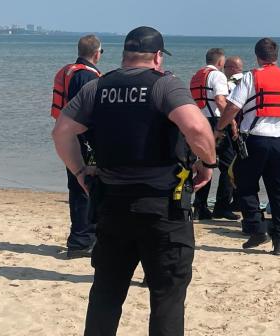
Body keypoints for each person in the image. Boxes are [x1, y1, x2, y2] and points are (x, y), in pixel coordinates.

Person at [52, 26, 216, 335]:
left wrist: (80, 172)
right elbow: (196, 128)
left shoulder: (98, 87)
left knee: (106, 293)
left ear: (125, 55)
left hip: (112, 205)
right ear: (157, 56)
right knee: (166, 295)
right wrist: (208, 164)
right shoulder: (165, 85)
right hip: (162, 207)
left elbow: (61, 132)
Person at [216, 38, 280, 256]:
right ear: (276, 56)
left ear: (257, 56)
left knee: (243, 183)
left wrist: (219, 128)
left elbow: (232, 107)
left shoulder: (250, 77)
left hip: (256, 140)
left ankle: (257, 228)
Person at [51, 34, 103, 259]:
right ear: (96, 53)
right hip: (83, 140)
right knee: (86, 187)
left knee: (77, 186)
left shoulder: (69, 71)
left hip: (69, 138)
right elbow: (85, 112)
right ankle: (82, 240)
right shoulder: (86, 76)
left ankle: (79, 237)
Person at [189, 48, 236, 220]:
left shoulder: (197, 75)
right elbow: (220, 101)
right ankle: (221, 207)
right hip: (216, 121)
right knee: (228, 165)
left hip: (199, 121)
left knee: (205, 163)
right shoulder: (218, 76)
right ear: (221, 62)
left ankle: (199, 206)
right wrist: (232, 121)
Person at [222, 55, 244, 211]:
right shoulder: (248, 81)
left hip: (230, 127)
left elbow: (229, 107)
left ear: (232, 68)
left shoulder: (228, 84)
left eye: (225, 67)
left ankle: (224, 203)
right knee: (240, 166)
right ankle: (238, 201)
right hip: (246, 129)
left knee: (228, 167)